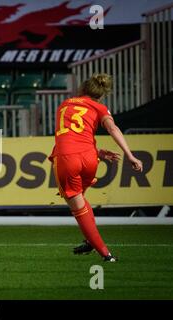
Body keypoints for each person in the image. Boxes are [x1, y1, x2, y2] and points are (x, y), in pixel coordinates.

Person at [49, 73, 143, 262]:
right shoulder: (100, 107)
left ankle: (105, 254)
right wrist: (129, 155)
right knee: (81, 200)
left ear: (82, 89)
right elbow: (113, 129)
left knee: (77, 206)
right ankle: (89, 239)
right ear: (101, 95)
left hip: (68, 158)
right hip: (90, 158)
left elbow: (67, 136)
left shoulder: (64, 105)